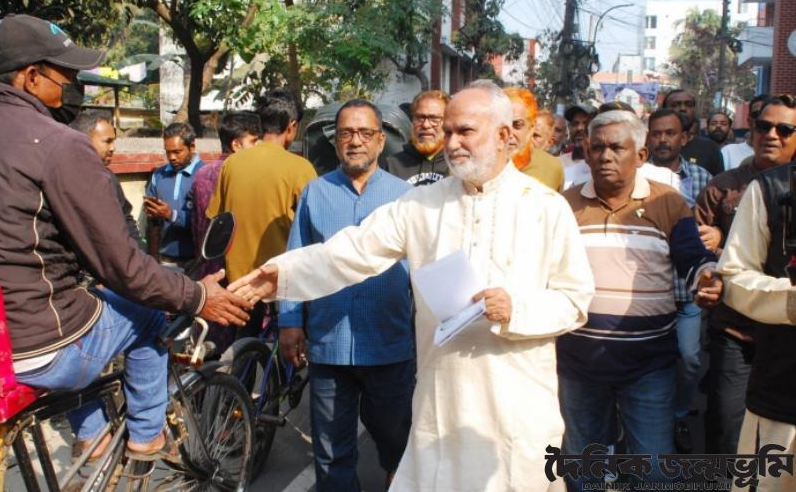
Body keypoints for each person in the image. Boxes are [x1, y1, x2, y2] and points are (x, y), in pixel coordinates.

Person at [230, 80, 596, 491]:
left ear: (504, 135)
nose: (452, 143)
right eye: (448, 131)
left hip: (514, 402)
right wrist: (282, 275)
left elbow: (574, 299)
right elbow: (352, 251)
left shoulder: (545, 208)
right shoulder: (421, 203)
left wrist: (517, 310)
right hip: (442, 399)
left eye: (465, 131)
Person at [0, 14, 249, 461]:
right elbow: (124, 268)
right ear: (31, 77)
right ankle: (147, 435)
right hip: (38, 348)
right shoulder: (59, 144)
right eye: (67, 76)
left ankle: (91, 437)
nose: (74, 87)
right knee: (146, 314)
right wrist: (196, 296)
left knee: (90, 308)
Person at [558, 110, 721, 489]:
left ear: (641, 155)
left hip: (648, 366)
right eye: (597, 147)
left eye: (617, 147)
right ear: (586, 151)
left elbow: (693, 258)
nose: (605, 156)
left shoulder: (669, 203)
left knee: (653, 470)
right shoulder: (563, 206)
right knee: (584, 470)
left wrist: (708, 278)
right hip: (579, 363)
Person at [279, 99, 415, 491]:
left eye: (365, 133)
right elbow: (295, 261)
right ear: (336, 141)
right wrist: (290, 322)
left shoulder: (406, 198)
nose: (355, 141)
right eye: (346, 133)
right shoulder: (315, 193)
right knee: (331, 451)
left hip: (389, 344)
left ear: (380, 140)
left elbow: (425, 266)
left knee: (397, 443)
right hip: (329, 343)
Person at [696, 94, 796, 457]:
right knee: (729, 427)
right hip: (737, 329)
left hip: (783, 343)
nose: (772, 135)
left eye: (784, 129)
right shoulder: (730, 185)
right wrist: (711, 269)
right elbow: (701, 250)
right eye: (764, 126)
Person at [207, 89, 317, 335]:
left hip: (240, 281)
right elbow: (313, 226)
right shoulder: (301, 168)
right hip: (282, 280)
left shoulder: (231, 164)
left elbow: (217, 218)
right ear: (292, 127)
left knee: (244, 343)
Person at [647, 108, 713, 453]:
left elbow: (714, 225)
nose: (663, 140)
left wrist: (717, 236)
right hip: (651, 290)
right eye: (656, 133)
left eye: (670, 133)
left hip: (687, 290)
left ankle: (678, 415)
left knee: (688, 358)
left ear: (683, 138)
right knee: (651, 363)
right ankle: (654, 423)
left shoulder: (702, 178)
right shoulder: (637, 178)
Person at [188, 110, 260, 258]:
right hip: (236, 264)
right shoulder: (246, 172)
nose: (259, 147)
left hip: (206, 261)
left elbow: (196, 225)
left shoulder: (202, 173)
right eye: (253, 142)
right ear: (236, 145)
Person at [70, 111, 141, 244]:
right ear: (84, 140)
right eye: (107, 141)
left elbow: (126, 219)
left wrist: (138, 249)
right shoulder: (64, 179)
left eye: (113, 141)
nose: (113, 148)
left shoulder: (109, 178)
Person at [144, 122, 203, 267]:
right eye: (168, 152)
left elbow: (206, 220)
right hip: (166, 261)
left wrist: (172, 215)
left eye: (177, 152)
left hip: (197, 261)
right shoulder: (158, 176)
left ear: (192, 147)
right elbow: (152, 223)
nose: (171, 157)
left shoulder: (205, 175)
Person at [382, 90, 450, 186]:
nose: (426, 125)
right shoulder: (393, 165)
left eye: (434, 119)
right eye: (420, 118)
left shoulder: (458, 164)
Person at [503, 87, 564, 191]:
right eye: (503, 124)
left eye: (517, 125)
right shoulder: (482, 162)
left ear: (531, 128)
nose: (509, 133)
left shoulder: (546, 165)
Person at [662, 89, 724, 176]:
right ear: (664, 110)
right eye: (675, 105)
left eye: (689, 105)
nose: (683, 109)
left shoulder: (710, 149)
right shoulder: (652, 146)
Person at [722, 94, 770, 171]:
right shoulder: (728, 152)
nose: (761, 118)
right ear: (749, 120)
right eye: (757, 114)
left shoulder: (783, 155)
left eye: (768, 114)